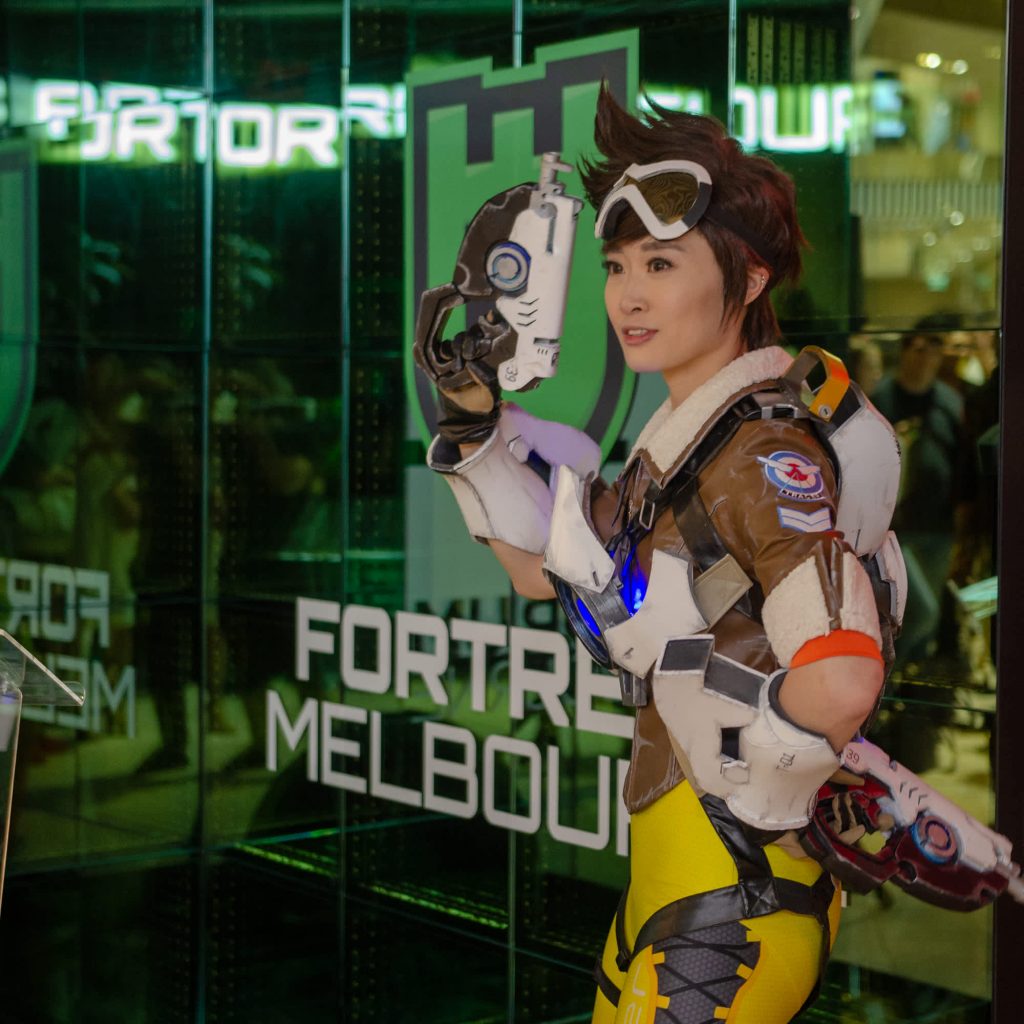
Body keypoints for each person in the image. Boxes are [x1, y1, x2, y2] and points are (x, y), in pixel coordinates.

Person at [417, 88, 901, 1023]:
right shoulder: (683, 446)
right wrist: (474, 424)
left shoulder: (760, 455)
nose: (629, 295)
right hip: (673, 890)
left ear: (748, 280)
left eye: (663, 264)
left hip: (735, 909)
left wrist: (750, 759)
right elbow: (543, 571)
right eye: (617, 265)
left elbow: (842, 677)